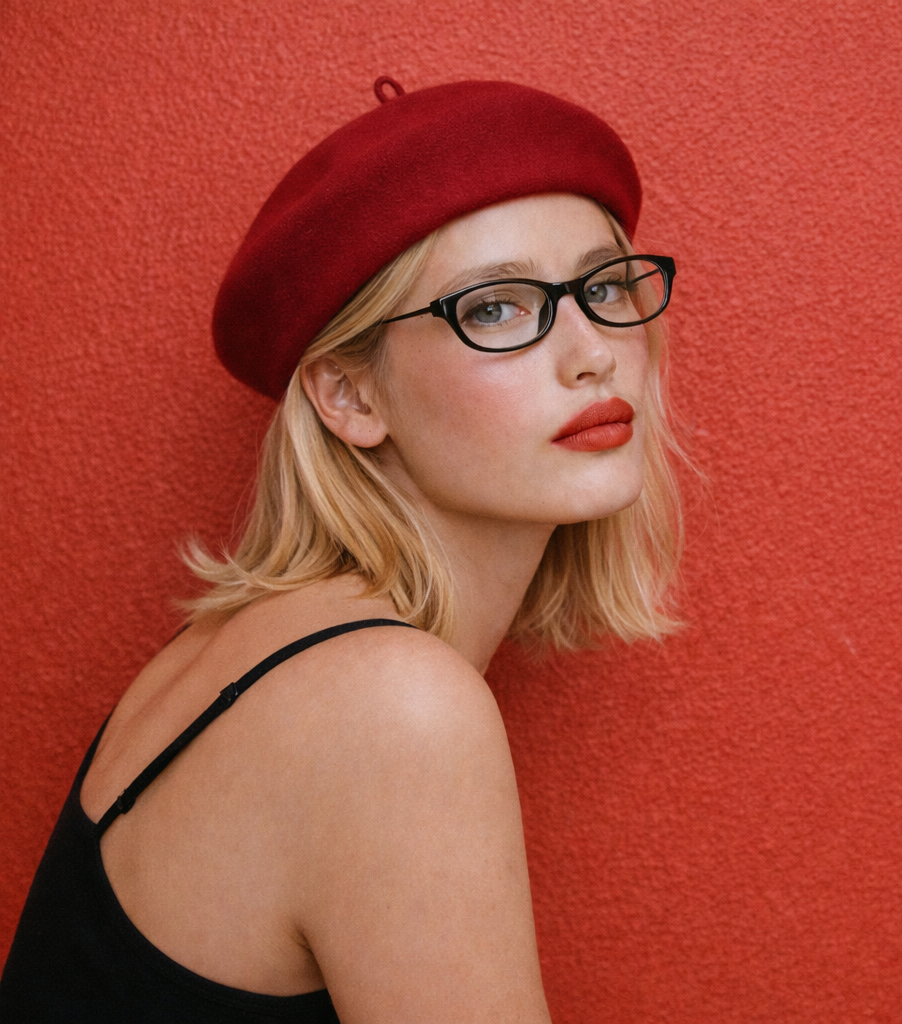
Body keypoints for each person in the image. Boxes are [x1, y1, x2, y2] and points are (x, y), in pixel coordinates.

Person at [0, 78, 685, 1022]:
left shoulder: (268, 646)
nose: (592, 351)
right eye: (495, 308)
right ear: (349, 398)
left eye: (602, 287)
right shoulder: (391, 707)